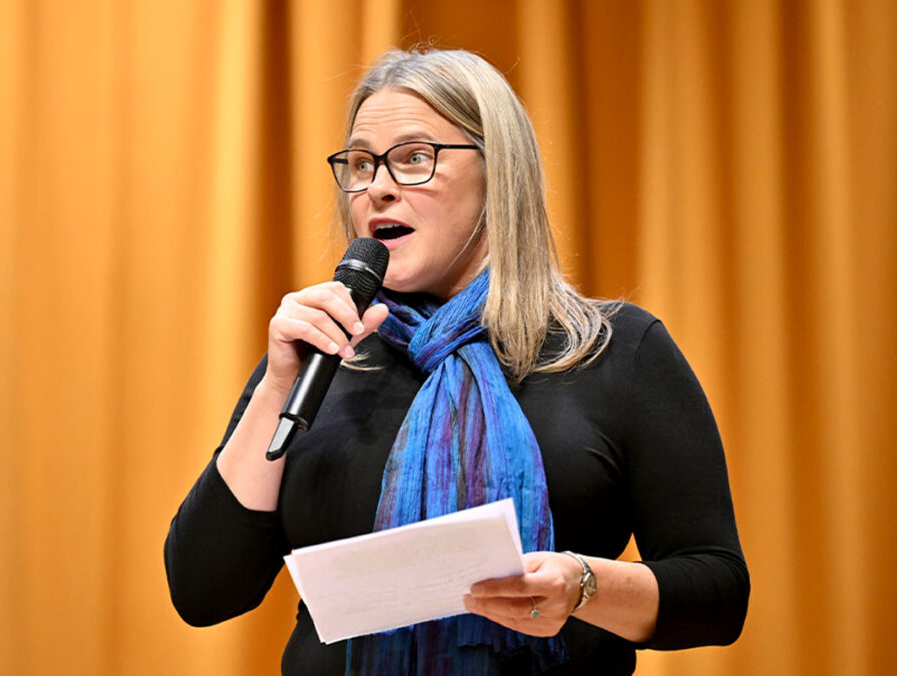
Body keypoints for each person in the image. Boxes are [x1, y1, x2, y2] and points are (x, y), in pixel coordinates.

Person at [164, 48, 749, 675]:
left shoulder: (612, 348)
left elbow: (716, 595)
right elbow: (203, 590)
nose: (378, 187)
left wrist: (583, 586)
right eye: (360, 164)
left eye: (415, 158)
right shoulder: (324, 357)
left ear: (499, 174)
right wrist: (279, 382)